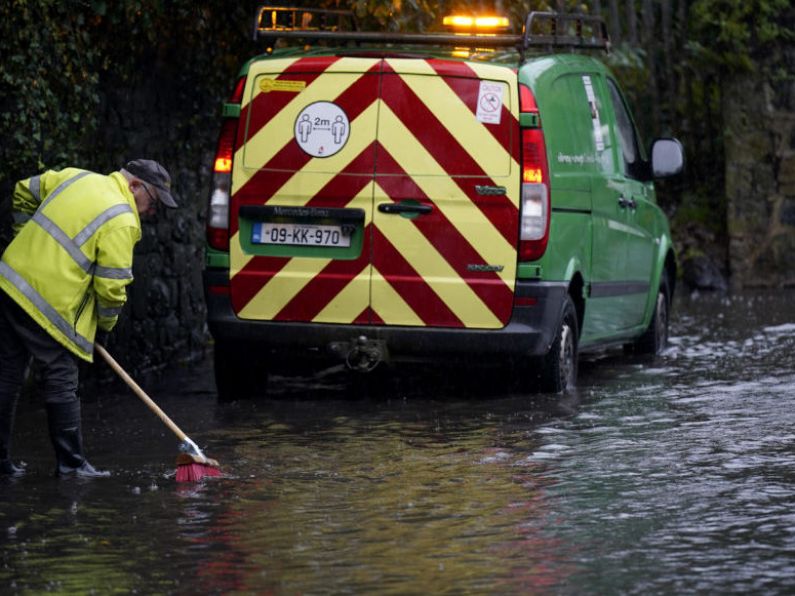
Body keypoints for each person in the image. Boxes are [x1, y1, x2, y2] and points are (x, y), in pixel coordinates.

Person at [0, 160, 177, 478]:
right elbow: (111, 287)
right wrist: (106, 326)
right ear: (134, 185)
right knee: (62, 379)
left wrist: (22, 238)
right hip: (47, 303)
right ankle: (72, 466)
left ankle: (1, 462)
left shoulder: (75, 177)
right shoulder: (123, 219)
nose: (151, 211)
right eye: (152, 201)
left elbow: (22, 191)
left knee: (8, 376)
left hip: (10, 280)